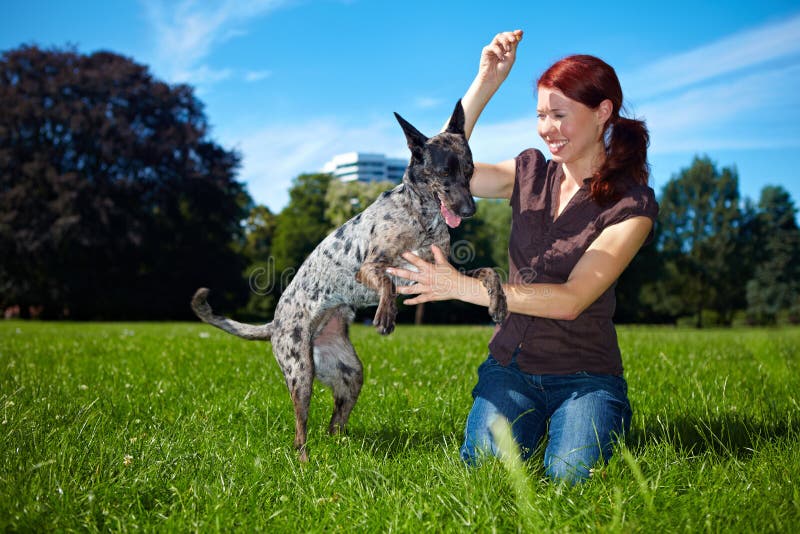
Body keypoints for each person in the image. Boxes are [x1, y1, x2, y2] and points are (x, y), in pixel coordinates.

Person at [385, 30, 659, 484]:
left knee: (572, 478)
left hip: (586, 377)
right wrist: (486, 82)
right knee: (489, 473)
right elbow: (434, 167)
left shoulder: (632, 206)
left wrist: (459, 287)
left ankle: (591, 417)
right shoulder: (528, 173)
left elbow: (572, 298)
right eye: (540, 115)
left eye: (559, 115)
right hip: (510, 371)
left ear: (602, 112)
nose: (547, 128)